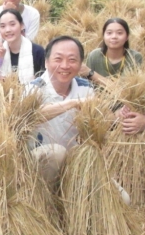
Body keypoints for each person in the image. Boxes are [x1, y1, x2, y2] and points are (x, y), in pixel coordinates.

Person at [26, 36, 95, 186]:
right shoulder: (33, 89)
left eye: (72, 60)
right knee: (56, 153)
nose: (65, 66)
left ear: (80, 64)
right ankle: (44, 200)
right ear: (46, 62)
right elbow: (30, 117)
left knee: (124, 199)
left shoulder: (86, 88)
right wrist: (71, 103)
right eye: (58, 59)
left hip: (74, 162)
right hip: (39, 164)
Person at [0, 8, 46, 88]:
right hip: (4, 99)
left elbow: (46, 80)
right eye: (3, 26)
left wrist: (32, 85)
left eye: (12, 24)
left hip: (32, 99)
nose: (8, 30)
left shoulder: (37, 51)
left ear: (22, 25)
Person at [81, 18, 143, 85]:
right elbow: (85, 85)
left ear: (127, 37)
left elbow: (124, 89)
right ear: (103, 36)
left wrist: (90, 73)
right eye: (109, 33)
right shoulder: (94, 55)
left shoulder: (135, 57)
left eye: (119, 33)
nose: (114, 36)